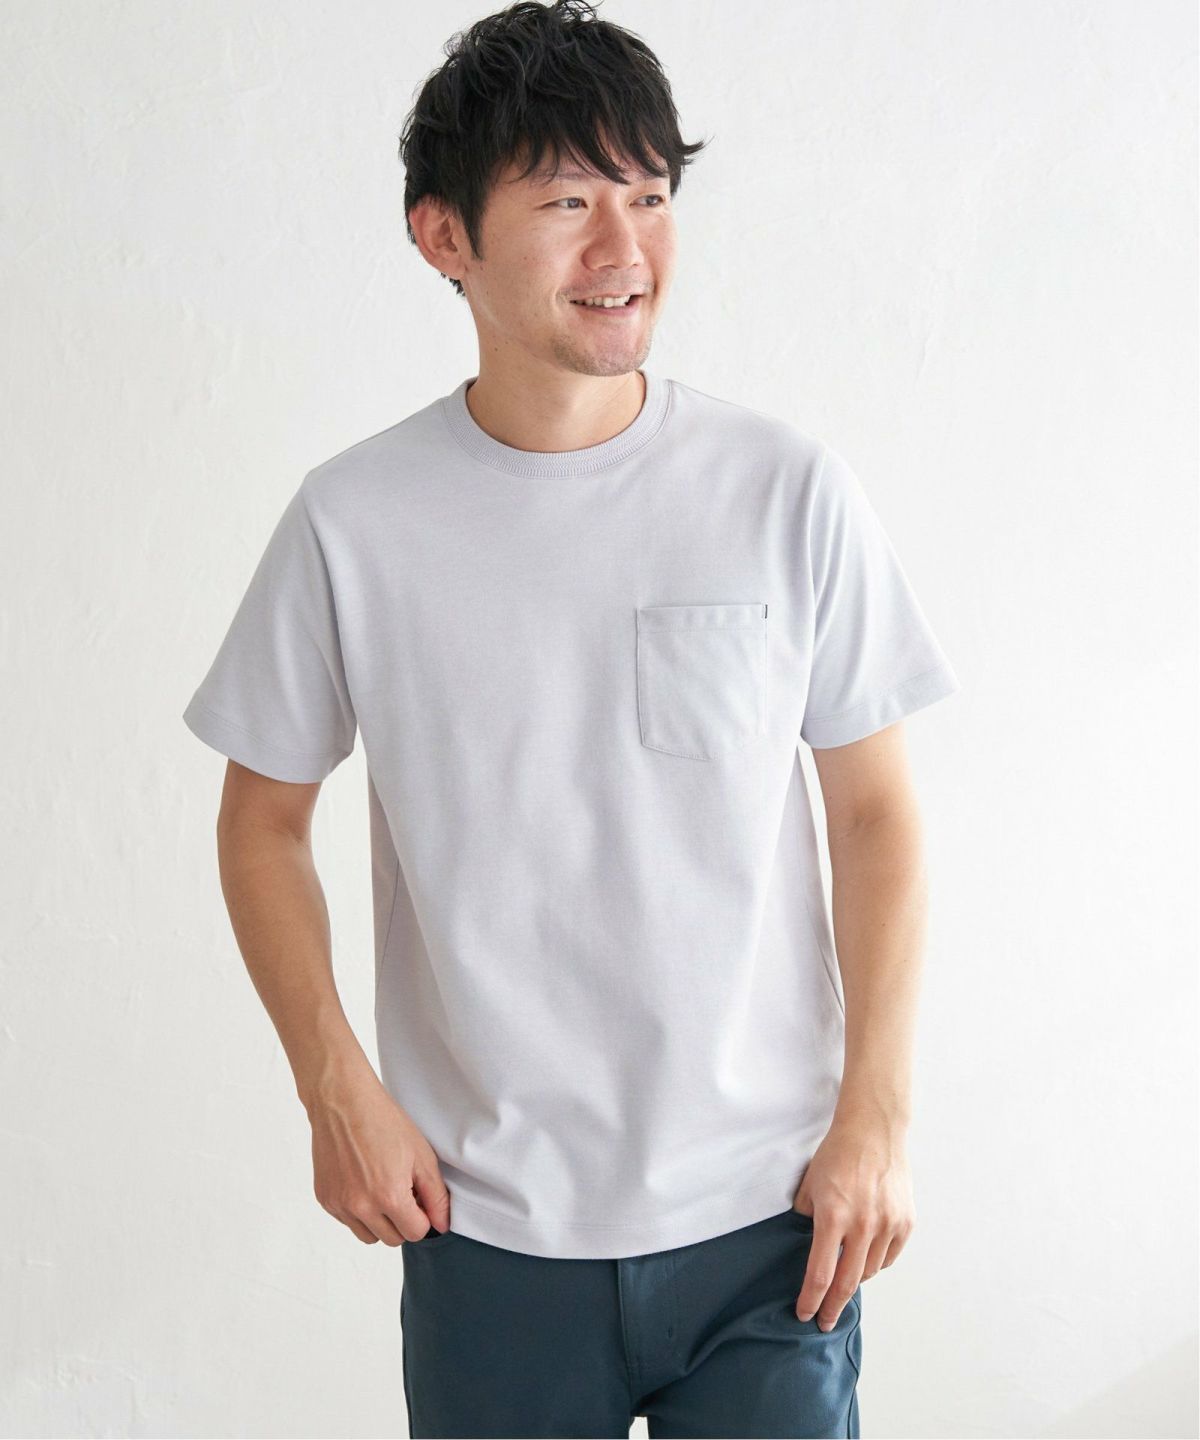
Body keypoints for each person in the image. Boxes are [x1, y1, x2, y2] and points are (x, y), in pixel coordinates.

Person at [182, 2, 961, 1434]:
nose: (625, 248)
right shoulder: (355, 522)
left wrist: (878, 1117)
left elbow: (876, 816)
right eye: (566, 202)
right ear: (444, 238)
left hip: (773, 1219)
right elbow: (261, 823)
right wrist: (336, 1091)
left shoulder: (784, 490)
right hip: (486, 1228)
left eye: (650, 197)